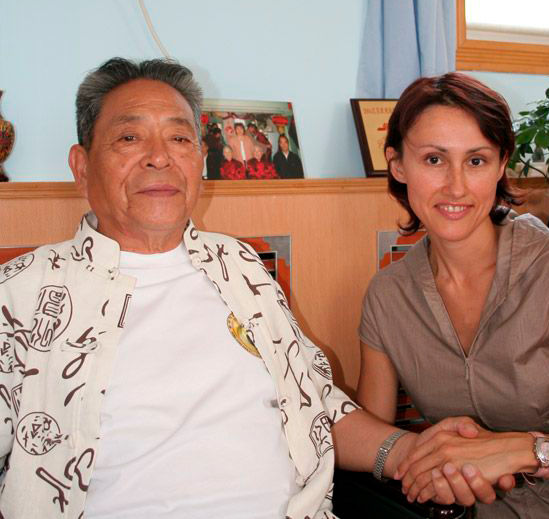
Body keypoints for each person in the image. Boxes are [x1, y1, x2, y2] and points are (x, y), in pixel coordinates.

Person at [0, 59, 501, 519]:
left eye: (179, 139)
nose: (159, 158)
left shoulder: (240, 267)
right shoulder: (22, 295)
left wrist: (411, 454)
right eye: (129, 138)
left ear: (199, 160)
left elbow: (316, 405)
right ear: (81, 166)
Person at [357, 72, 549, 518]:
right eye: (433, 160)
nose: (455, 186)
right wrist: (430, 465)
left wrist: (521, 450)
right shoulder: (387, 296)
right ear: (396, 164)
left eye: (476, 161)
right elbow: (372, 438)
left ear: (502, 163)